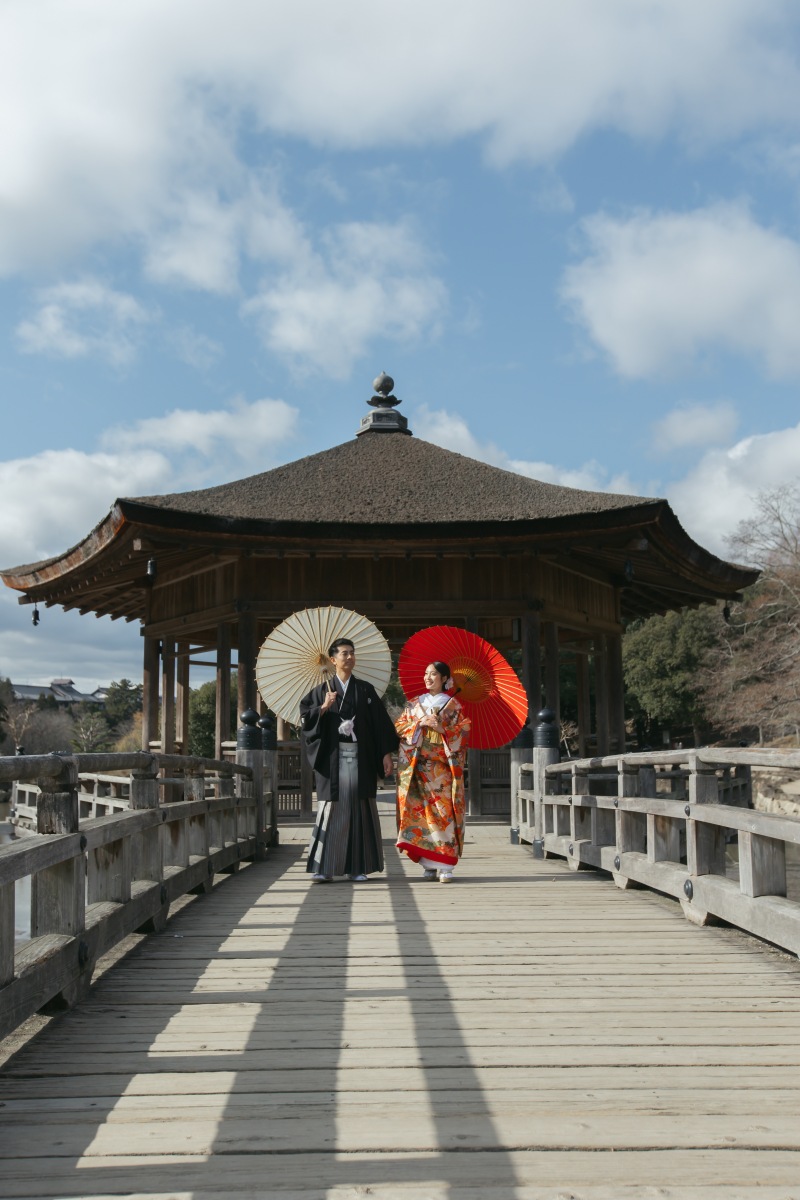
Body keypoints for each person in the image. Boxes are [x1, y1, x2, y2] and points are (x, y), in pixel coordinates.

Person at [300, 637, 399, 882]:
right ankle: (324, 867)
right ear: (333, 660)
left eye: (352, 653)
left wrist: (386, 754)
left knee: (359, 809)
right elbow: (305, 720)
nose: (350, 657)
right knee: (331, 809)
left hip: (360, 756)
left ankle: (359, 866)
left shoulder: (365, 690)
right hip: (332, 758)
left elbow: (380, 725)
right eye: (344, 653)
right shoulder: (321, 691)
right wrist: (323, 708)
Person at [395, 660, 471, 883]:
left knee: (443, 813)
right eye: (426, 674)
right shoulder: (414, 703)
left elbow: (462, 734)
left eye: (434, 674)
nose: (428, 678)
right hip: (418, 767)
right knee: (420, 813)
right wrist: (419, 723)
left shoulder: (454, 705)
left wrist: (442, 728)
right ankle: (428, 863)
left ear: (445, 679)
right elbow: (400, 726)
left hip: (442, 770)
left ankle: (445, 864)